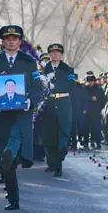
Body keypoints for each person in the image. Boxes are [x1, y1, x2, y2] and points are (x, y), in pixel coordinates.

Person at [0, 25, 41, 210]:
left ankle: (13, 197)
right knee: (6, 161)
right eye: (8, 38)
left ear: (20, 41)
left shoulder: (29, 61)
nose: (11, 41)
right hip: (2, 117)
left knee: (12, 151)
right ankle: (12, 197)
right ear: (3, 42)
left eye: (15, 38)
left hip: (21, 115)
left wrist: (30, 102)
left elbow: (38, 88)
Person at [39, 43, 75, 177]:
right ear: (49, 55)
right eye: (52, 53)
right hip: (49, 103)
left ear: (61, 54)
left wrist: (55, 86)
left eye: (57, 53)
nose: (55, 55)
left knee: (63, 133)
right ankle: (52, 162)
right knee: (49, 134)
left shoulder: (68, 70)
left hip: (63, 103)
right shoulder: (44, 69)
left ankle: (59, 162)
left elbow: (71, 85)